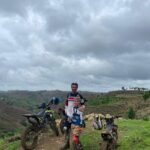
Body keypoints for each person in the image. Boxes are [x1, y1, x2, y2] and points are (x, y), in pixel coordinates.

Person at [61, 83, 86, 150]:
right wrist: (66, 110)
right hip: (69, 114)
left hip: (76, 115)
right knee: (67, 129)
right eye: (72, 87)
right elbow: (66, 103)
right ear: (71, 87)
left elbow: (83, 104)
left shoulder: (79, 95)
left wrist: (82, 108)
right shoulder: (68, 95)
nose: (74, 88)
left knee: (76, 132)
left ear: (77, 87)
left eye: (75, 87)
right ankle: (67, 143)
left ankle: (78, 146)